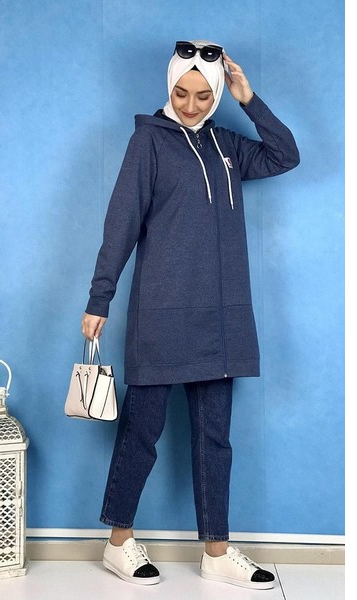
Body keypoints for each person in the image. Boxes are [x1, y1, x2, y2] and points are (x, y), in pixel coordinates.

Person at [81, 39, 299, 588]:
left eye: (204, 95)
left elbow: (285, 154)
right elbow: (120, 224)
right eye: (182, 93)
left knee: (214, 439)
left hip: (222, 320)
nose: (191, 104)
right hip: (162, 313)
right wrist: (100, 298)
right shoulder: (148, 142)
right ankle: (118, 543)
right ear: (169, 87)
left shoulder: (228, 146)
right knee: (141, 432)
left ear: (218, 92)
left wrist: (249, 100)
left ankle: (217, 551)